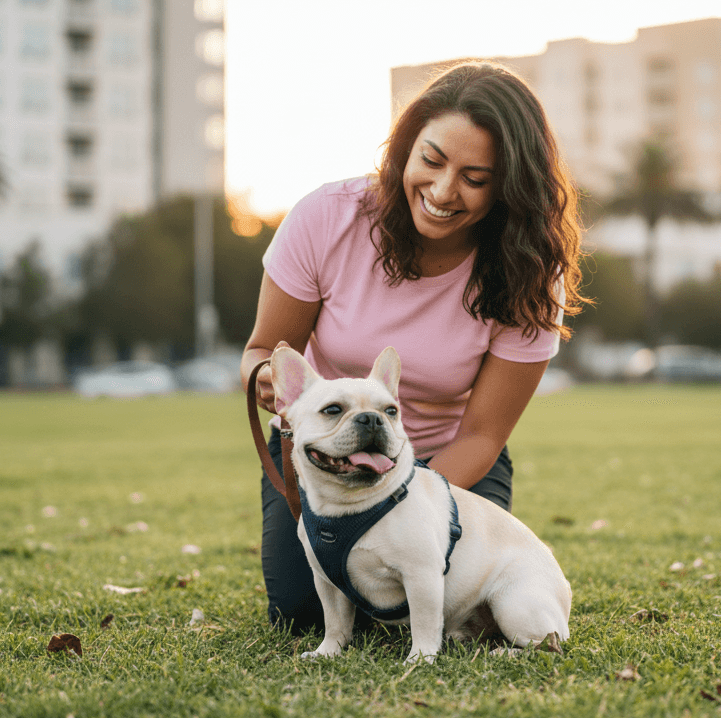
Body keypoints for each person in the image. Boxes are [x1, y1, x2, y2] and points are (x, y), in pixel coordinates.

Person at [241, 61, 587, 632]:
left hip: (451, 463)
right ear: (405, 148)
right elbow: (260, 351)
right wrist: (266, 382)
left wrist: (399, 500)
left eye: (475, 178)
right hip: (323, 459)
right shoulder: (326, 218)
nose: (444, 191)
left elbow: (484, 433)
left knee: (442, 598)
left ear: (509, 187)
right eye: (431, 160)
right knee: (300, 613)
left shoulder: (529, 272)